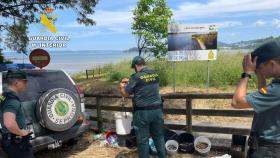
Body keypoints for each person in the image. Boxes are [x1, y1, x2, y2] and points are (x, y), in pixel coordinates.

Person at [232, 41, 280, 158]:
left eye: (260, 67)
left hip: (268, 150)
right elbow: (264, 94)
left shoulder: (277, 89)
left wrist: (247, 73)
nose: (258, 70)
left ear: (272, 64)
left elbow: (237, 102)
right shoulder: (276, 87)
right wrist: (259, 74)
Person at [119, 56, 165, 158]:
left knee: (143, 141)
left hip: (142, 113)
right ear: (144, 64)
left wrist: (121, 86)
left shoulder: (135, 77)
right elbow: (146, 84)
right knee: (159, 137)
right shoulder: (155, 74)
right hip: (157, 111)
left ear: (135, 66)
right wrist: (131, 81)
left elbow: (125, 94)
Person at [0, 69, 34, 158]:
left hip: (9, 139)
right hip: (16, 142)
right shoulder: (12, 100)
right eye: (24, 81)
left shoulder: (3, 96)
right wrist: (22, 133)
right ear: (16, 82)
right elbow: (9, 123)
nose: (26, 84)